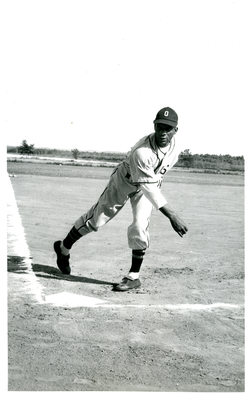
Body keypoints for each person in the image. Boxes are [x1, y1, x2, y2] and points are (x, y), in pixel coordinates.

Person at [54, 107, 188, 291]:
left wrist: (158, 192)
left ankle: (134, 276)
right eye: (160, 127)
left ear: (175, 130)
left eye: (168, 128)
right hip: (123, 181)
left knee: (140, 225)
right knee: (96, 220)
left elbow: (154, 180)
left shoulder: (175, 149)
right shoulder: (142, 151)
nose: (163, 132)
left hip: (147, 186)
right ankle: (63, 248)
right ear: (154, 126)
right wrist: (172, 215)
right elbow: (148, 186)